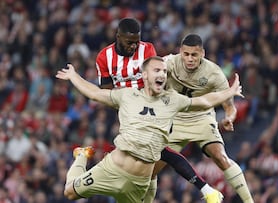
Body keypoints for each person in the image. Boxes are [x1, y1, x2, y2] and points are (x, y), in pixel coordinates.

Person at [56, 56, 244, 203]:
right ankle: (81, 155)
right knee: (70, 192)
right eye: (156, 70)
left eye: (164, 71)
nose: (162, 74)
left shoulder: (172, 100)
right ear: (144, 75)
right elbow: (96, 93)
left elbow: (203, 101)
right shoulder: (127, 95)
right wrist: (73, 76)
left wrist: (229, 92)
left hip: (139, 183)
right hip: (112, 170)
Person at [96, 17, 223, 202]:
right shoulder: (104, 57)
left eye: (136, 42)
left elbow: (156, 77)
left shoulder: (147, 49)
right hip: (128, 111)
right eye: (129, 42)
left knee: (158, 152)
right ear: (118, 37)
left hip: (152, 105)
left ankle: (206, 189)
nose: (133, 46)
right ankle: (205, 190)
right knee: (148, 161)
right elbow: (106, 91)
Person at [146, 34, 254, 203]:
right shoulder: (168, 64)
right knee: (150, 170)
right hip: (175, 120)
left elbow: (229, 106)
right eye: (186, 54)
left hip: (202, 118)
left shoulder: (214, 73)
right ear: (180, 52)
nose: (189, 59)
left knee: (220, 157)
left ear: (202, 53)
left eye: (194, 55)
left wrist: (229, 118)